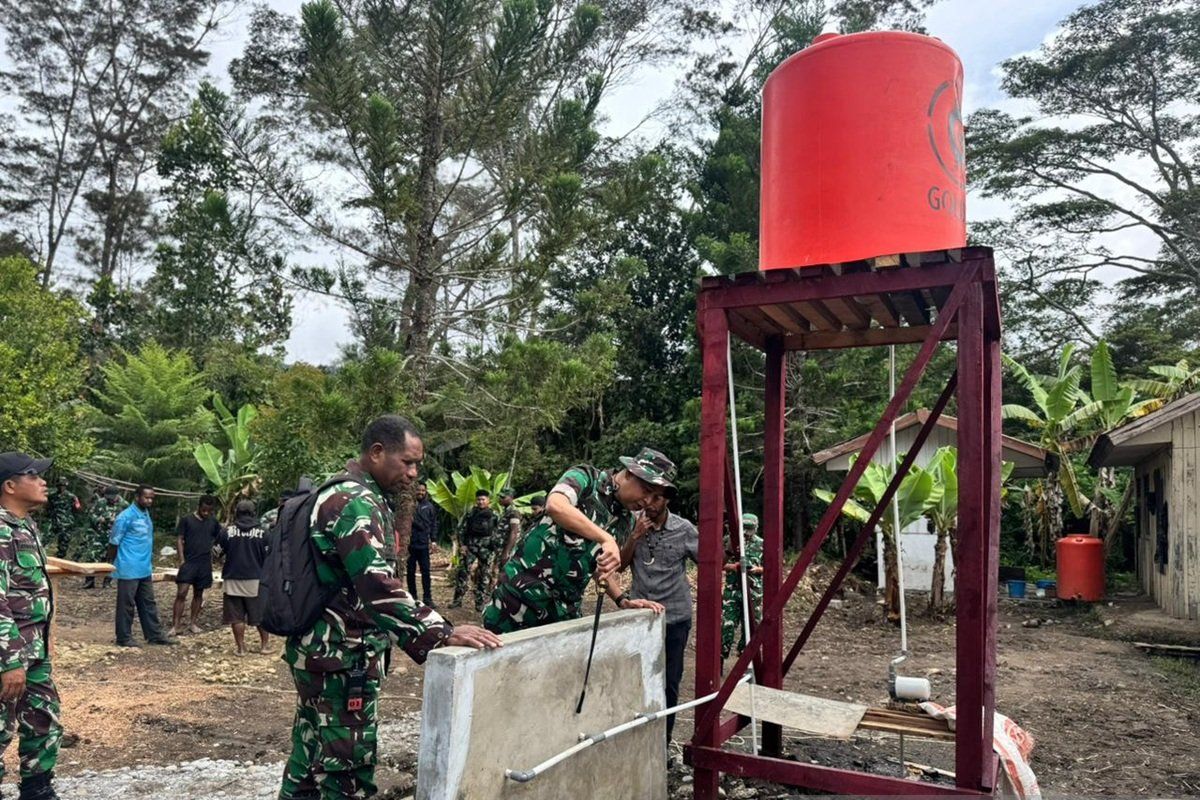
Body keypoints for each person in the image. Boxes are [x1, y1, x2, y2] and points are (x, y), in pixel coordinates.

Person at [278, 415, 501, 800]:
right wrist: (442, 632)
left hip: (317, 651)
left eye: (418, 464)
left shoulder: (338, 491)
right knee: (347, 771)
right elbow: (377, 587)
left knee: (308, 759)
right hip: (344, 659)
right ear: (377, 453)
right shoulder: (356, 503)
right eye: (408, 462)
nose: (414, 473)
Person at [482, 447, 675, 634]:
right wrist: (605, 538)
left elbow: (600, 569)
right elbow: (556, 505)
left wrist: (622, 600)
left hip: (562, 615)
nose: (648, 501)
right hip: (517, 602)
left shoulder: (626, 520)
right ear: (630, 474)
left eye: (655, 497)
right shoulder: (586, 478)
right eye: (647, 490)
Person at [0, 453, 62, 800]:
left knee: (43, 718)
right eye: (33, 475)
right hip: (8, 652)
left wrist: (45, 641)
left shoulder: (24, 526)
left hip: (33, 648)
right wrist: (8, 661)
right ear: (10, 486)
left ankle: (37, 789)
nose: (43, 481)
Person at [620, 487, 698, 745]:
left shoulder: (684, 529)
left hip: (674, 616)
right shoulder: (633, 522)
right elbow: (619, 564)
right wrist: (635, 536)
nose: (650, 504)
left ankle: (662, 744)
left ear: (667, 501)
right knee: (637, 680)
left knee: (670, 682)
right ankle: (638, 742)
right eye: (648, 497)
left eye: (658, 498)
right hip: (641, 617)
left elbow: (709, 560)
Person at [111, 485, 174, 648]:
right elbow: (114, 542)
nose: (149, 500)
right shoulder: (125, 516)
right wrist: (109, 565)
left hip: (144, 567)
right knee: (127, 604)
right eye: (146, 497)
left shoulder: (145, 514)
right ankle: (123, 637)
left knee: (148, 602)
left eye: (152, 498)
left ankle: (154, 634)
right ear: (137, 496)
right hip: (128, 566)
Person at [215, 500, 270, 656]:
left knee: (236, 616)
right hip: (256, 579)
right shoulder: (264, 532)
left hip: (232, 579)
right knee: (260, 616)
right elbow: (269, 556)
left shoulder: (226, 532)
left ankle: (241, 648)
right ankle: (264, 646)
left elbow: (216, 553)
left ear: (236, 513)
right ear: (254, 513)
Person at [170, 495, 221, 636]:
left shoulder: (213, 522)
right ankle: (176, 625)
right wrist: (181, 559)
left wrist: (216, 553)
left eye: (209, 511)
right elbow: (180, 539)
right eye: (204, 510)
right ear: (199, 506)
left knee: (198, 594)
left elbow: (219, 537)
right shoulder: (187, 520)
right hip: (189, 562)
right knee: (181, 592)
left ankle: (193, 623)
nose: (206, 513)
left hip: (204, 563)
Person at [721, 512, 764, 661]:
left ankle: (745, 658)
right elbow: (718, 564)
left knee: (752, 626)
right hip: (732, 590)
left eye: (749, 528)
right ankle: (722, 653)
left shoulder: (761, 544)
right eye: (743, 528)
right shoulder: (729, 540)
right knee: (727, 624)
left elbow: (771, 568)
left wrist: (756, 569)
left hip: (754, 591)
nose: (746, 532)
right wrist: (735, 566)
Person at [449, 490, 500, 611]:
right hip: (470, 547)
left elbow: (499, 533)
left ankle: (480, 603)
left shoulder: (495, 515)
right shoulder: (470, 514)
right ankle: (457, 601)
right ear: (475, 501)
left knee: (484, 576)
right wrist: (462, 545)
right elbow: (461, 530)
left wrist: (496, 548)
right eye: (478, 499)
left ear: (488, 501)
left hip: (486, 549)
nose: (481, 502)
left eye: (483, 499)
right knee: (462, 573)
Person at [81, 486, 123, 589]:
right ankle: (89, 581)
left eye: (112, 497)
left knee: (111, 559)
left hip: (115, 536)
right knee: (92, 556)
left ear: (117, 495)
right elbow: (91, 515)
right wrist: (100, 519)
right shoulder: (100, 502)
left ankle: (107, 582)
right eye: (108, 497)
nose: (110, 499)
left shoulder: (124, 505)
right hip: (100, 535)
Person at [406, 480, 436, 607]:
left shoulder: (429, 506)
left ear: (426, 492)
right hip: (409, 544)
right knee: (410, 571)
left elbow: (434, 524)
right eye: (418, 490)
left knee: (426, 571)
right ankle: (413, 596)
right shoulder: (407, 505)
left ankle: (427, 597)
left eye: (423, 490)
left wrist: (433, 540)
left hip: (423, 544)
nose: (420, 492)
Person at [43, 476, 79, 559]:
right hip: (54, 521)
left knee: (64, 543)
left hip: (66, 523)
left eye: (63, 485)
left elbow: (77, 509)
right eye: (59, 485)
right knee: (45, 539)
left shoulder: (72, 497)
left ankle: (60, 558)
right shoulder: (52, 496)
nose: (61, 487)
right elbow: (48, 507)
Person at [497, 488, 523, 566]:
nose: (500, 499)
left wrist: (506, 552)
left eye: (503, 497)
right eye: (500, 497)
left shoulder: (514, 512)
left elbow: (514, 532)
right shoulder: (506, 511)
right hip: (500, 547)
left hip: (506, 548)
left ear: (511, 498)